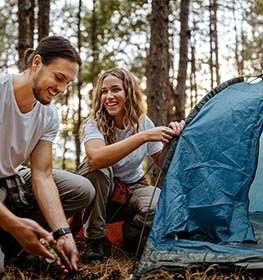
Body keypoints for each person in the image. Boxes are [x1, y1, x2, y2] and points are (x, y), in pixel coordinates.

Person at [0, 36, 95, 274]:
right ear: (37, 63)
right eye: (58, 78)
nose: (61, 89)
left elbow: (42, 175)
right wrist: (13, 224)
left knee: (82, 189)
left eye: (68, 83)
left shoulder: (49, 115)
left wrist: (63, 232)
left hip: (11, 180)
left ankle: (14, 241)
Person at [79, 67, 185, 261]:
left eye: (115, 89)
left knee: (161, 207)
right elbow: (96, 158)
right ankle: (94, 241)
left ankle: (129, 237)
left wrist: (173, 140)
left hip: (133, 187)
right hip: (101, 193)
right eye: (104, 91)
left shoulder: (143, 122)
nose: (109, 96)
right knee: (96, 168)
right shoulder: (94, 123)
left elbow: (162, 163)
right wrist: (142, 137)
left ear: (128, 92)